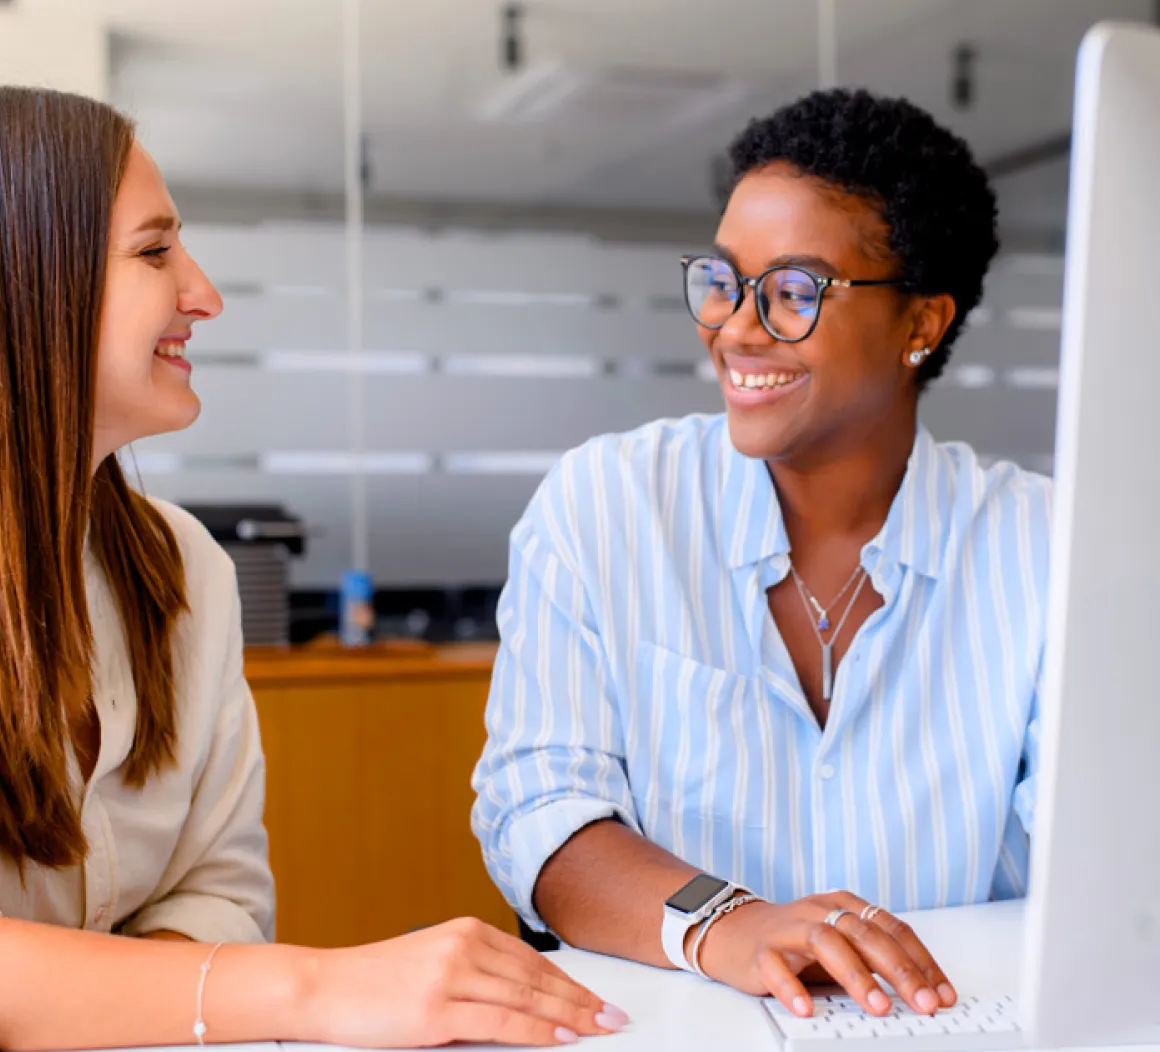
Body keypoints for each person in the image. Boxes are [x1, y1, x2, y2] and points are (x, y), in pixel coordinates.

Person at [0, 86, 626, 1050]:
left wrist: (121, 997)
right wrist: (318, 990)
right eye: (155, 251)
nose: (202, 294)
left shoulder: (183, 574)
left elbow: (222, 894)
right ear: (28, 276)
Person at [472, 88, 1051, 1021]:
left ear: (921, 324)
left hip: (955, 1024)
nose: (737, 327)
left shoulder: (1042, 550)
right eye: (724, 280)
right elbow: (537, 815)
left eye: (793, 291)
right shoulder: (608, 508)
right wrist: (727, 924)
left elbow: (1105, 853)